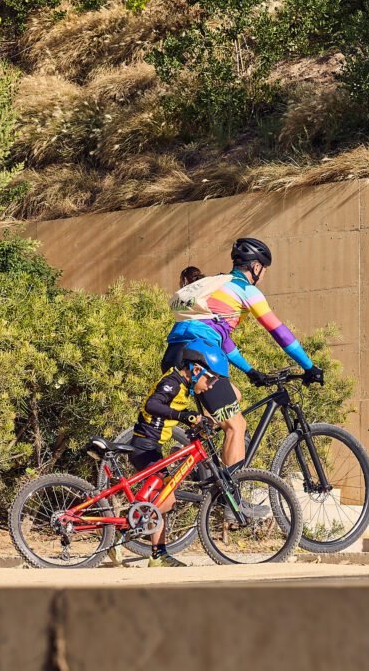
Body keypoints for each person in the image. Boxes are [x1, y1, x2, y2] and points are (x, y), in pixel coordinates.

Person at [163, 238, 323, 468]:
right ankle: (233, 499)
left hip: (174, 353)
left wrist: (251, 371)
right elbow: (280, 332)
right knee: (236, 426)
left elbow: (223, 340)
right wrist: (309, 366)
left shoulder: (215, 284)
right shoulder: (246, 290)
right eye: (264, 269)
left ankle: (191, 450)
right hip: (200, 356)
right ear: (256, 267)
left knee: (234, 395)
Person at [128, 339, 231, 567]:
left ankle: (157, 554)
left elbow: (176, 411)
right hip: (144, 447)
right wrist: (186, 417)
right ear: (196, 370)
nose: (212, 385)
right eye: (211, 378)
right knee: (166, 498)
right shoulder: (173, 382)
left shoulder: (184, 386)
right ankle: (127, 529)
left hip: (152, 447)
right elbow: (153, 406)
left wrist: (198, 422)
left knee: (163, 498)